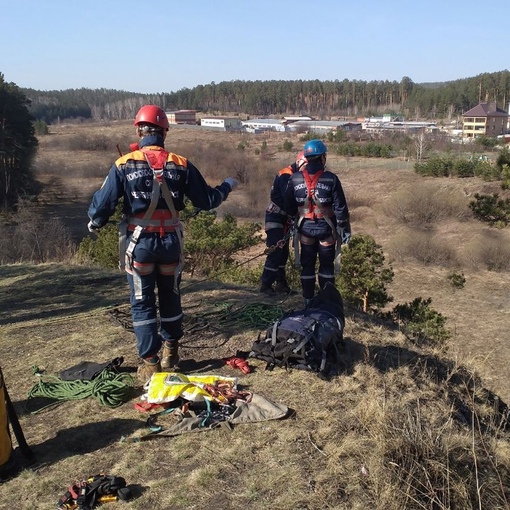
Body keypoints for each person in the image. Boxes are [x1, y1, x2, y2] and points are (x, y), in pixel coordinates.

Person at [87, 105, 239, 384]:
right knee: (170, 296)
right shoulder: (181, 164)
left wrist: (95, 222)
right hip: (170, 244)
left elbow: (102, 205)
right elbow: (208, 201)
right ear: (164, 132)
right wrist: (228, 185)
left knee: (143, 302)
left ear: (138, 130)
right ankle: (171, 353)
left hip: (140, 245)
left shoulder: (125, 164)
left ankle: (150, 363)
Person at [284, 139, 351, 305]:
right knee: (326, 266)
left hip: (305, 229)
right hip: (326, 229)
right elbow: (340, 207)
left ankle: (307, 299)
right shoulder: (331, 179)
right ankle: (327, 301)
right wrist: (344, 228)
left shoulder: (295, 179)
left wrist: (296, 218)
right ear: (322, 158)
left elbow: (288, 204)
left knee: (307, 265)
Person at [259, 150, 307, 296]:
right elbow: (288, 199)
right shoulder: (287, 175)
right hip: (276, 217)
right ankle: (266, 284)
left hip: (285, 219)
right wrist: (296, 214)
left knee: (283, 253)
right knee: (275, 250)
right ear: (301, 162)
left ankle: (281, 284)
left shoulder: (297, 175)